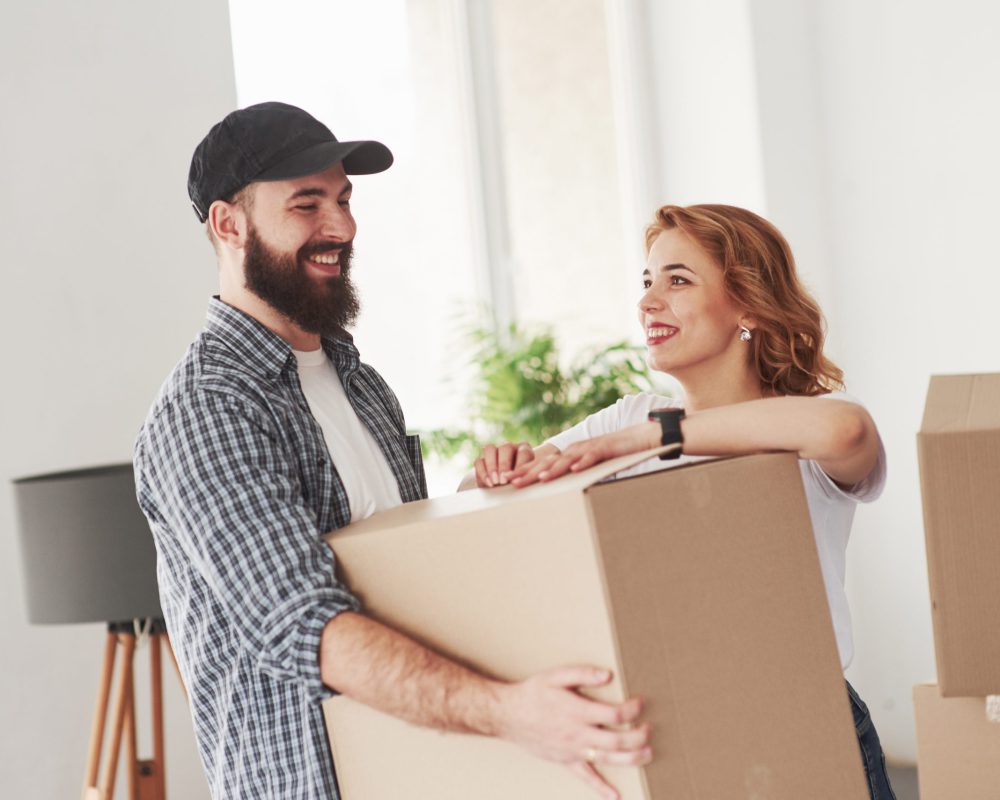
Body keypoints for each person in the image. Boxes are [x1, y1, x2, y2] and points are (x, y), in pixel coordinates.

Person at [133, 102, 651, 800]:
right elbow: (305, 628)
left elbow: (398, 580)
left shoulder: (361, 385)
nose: (341, 228)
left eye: (345, 200)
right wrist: (508, 713)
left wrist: (477, 497)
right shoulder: (207, 410)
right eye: (307, 204)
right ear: (229, 224)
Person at [472, 203, 898, 800]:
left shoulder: (798, 426)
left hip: (804, 719)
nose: (648, 302)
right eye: (647, 282)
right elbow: (475, 499)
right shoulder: (628, 416)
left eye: (677, 280)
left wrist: (660, 437)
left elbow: (848, 432)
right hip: (673, 728)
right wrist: (500, 469)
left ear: (747, 304)